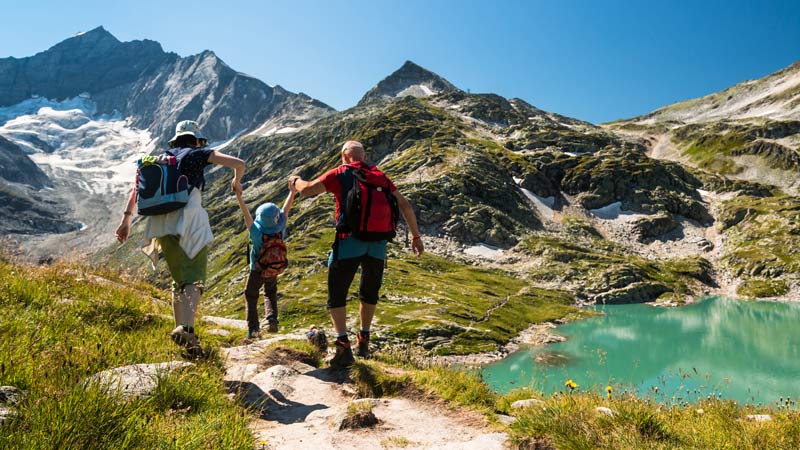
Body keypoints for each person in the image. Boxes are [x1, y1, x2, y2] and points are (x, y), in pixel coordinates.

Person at [289, 140, 424, 368]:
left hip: (349, 241)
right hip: (378, 245)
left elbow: (309, 190)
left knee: (337, 293)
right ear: (363, 156)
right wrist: (415, 236)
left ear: (344, 155)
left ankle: (343, 346)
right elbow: (404, 204)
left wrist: (295, 181)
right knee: (369, 292)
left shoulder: (341, 173)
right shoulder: (380, 176)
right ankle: (364, 339)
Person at [114, 120, 245, 355]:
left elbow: (136, 190)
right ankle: (187, 329)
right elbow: (238, 163)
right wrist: (236, 179)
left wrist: (126, 220)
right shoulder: (198, 153)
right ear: (196, 139)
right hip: (190, 221)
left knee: (178, 280)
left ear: (175, 140)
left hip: (161, 224)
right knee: (194, 279)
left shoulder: (160, 159)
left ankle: (180, 329)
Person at [235, 184, 296, 339]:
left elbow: (246, 215)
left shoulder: (256, 232)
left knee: (251, 295)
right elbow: (286, 209)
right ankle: (272, 318)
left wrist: (239, 196)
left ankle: (254, 329)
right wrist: (292, 192)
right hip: (273, 268)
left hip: (257, 269)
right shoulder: (279, 229)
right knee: (270, 292)